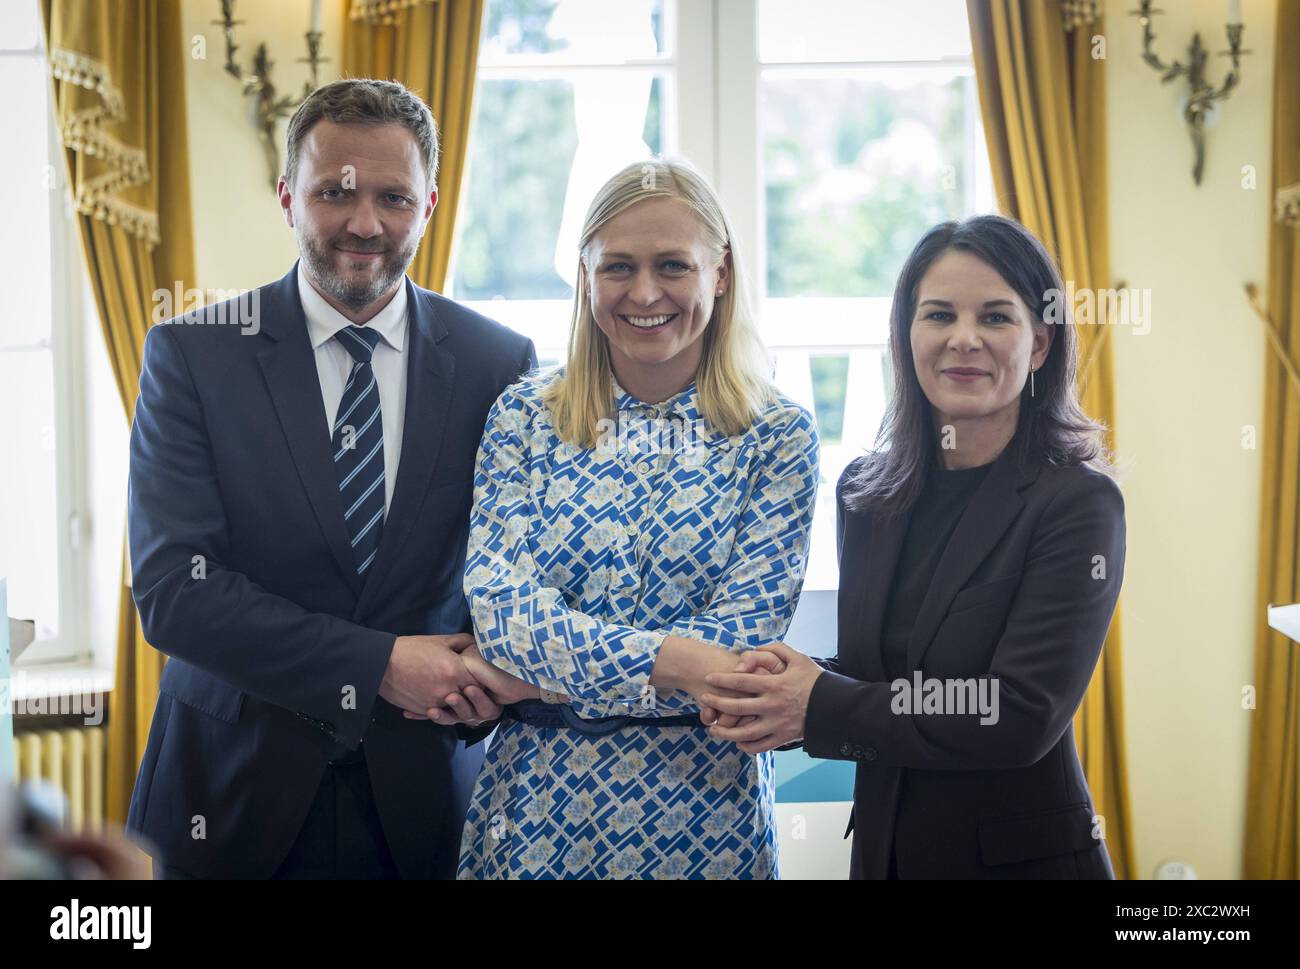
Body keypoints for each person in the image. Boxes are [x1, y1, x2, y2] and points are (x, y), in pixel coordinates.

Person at [126, 78, 536, 879]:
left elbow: (515, 571)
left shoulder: (501, 363)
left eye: (394, 196)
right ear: (287, 196)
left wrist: (494, 667)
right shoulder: (192, 355)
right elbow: (175, 591)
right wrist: (382, 663)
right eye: (334, 192)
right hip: (231, 792)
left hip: (424, 797)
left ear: (431, 204)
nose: (365, 222)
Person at [702, 215, 1125, 879]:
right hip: (883, 857)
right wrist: (770, 680)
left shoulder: (1077, 503)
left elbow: (1015, 713)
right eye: (938, 315)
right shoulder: (864, 493)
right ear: (906, 337)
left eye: (995, 316)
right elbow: (886, 669)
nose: (964, 338)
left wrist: (817, 702)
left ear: (1039, 344)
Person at [444, 158, 819, 879]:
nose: (645, 293)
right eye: (618, 266)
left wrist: (535, 678)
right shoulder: (523, 418)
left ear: (722, 272)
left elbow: (736, 656)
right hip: (534, 813)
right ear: (585, 277)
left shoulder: (779, 436)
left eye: (673, 264)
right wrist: (674, 663)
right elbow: (503, 614)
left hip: (705, 819)